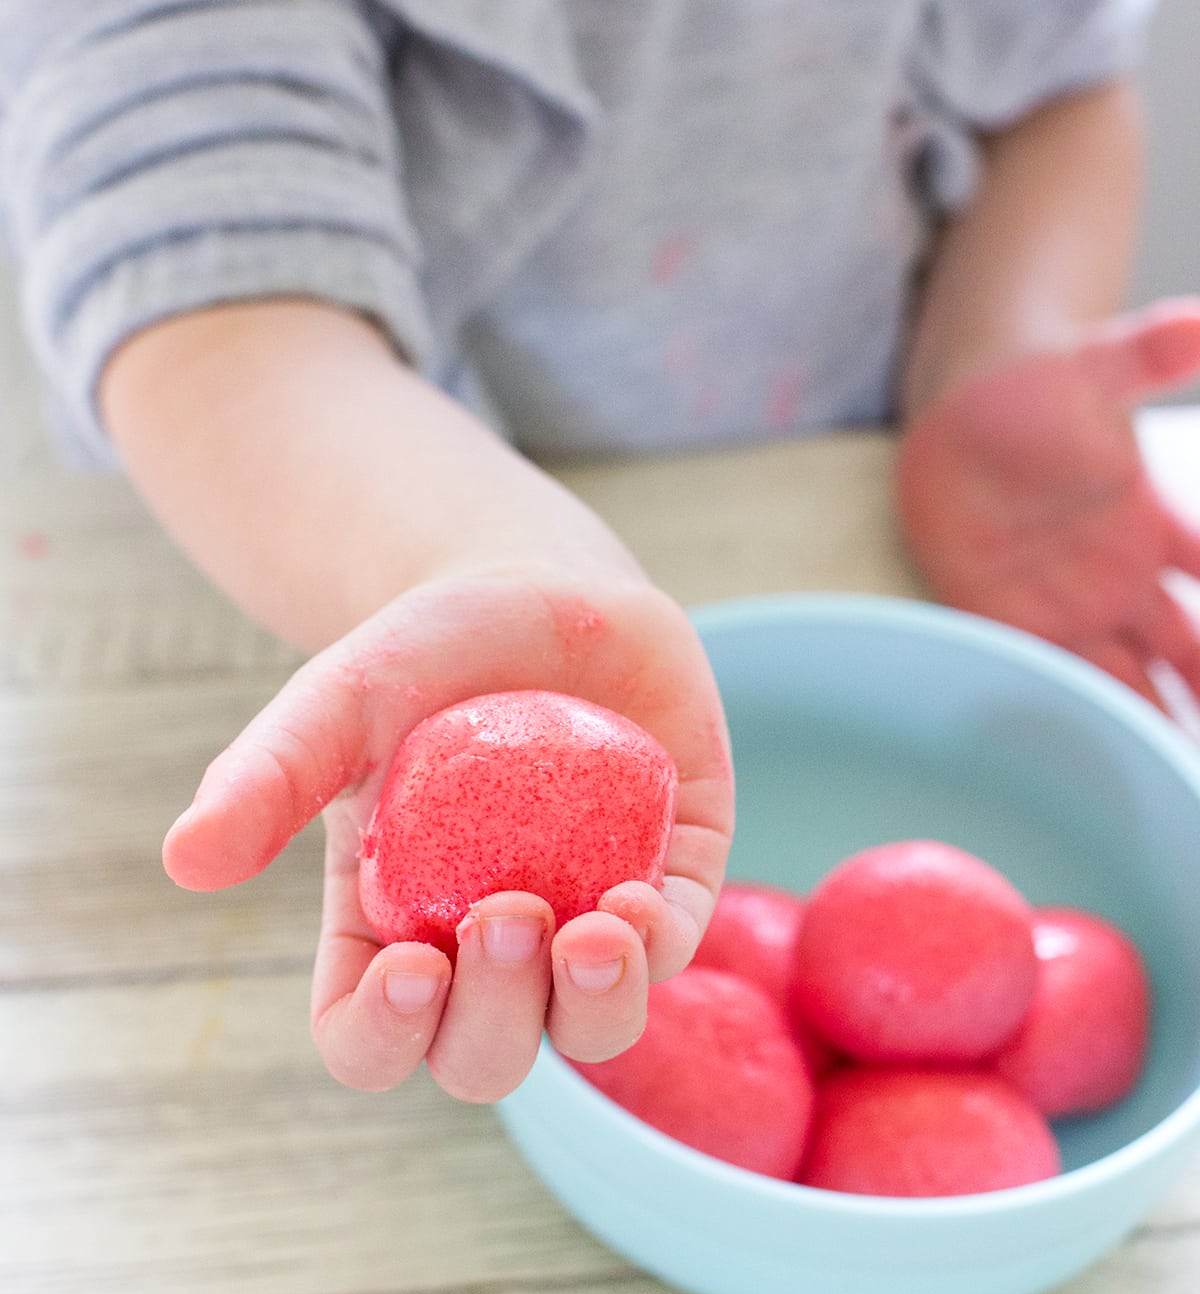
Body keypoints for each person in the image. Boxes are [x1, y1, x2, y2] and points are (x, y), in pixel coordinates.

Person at [4, 0, 1200, 1106]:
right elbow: (213, 300)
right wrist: (494, 560)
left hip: (828, 497)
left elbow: (1057, 94)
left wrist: (987, 355)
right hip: (346, 557)